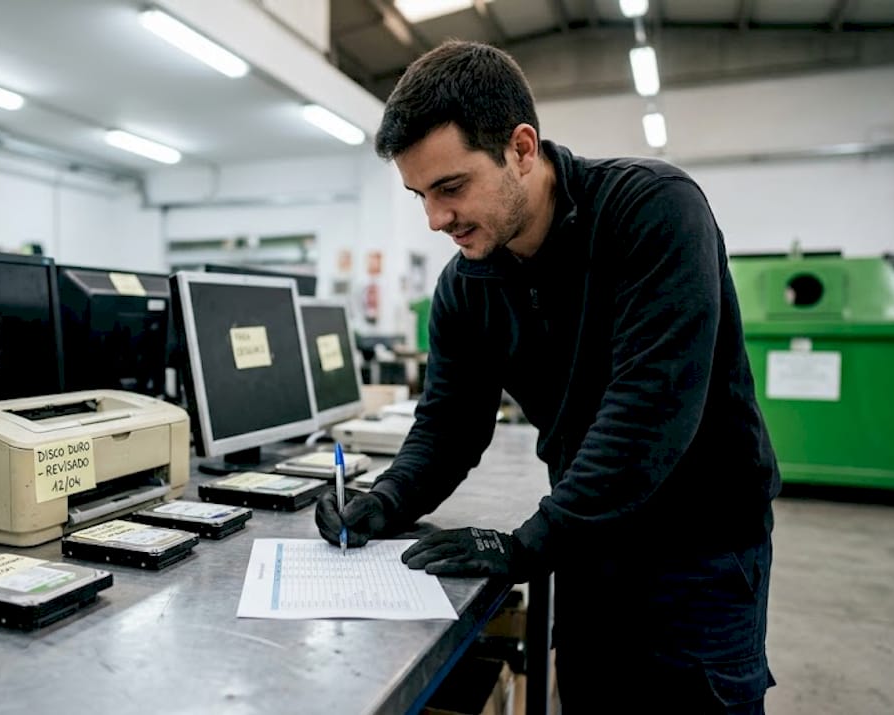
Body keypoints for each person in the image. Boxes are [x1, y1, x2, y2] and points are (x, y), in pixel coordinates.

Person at [315, 40, 781, 714]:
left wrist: (532, 544)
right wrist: (385, 499)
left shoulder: (653, 212)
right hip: (591, 548)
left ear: (522, 148)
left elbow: (649, 412)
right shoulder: (466, 287)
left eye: (450, 187)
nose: (435, 219)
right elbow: (448, 426)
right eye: (420, 195)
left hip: (698, 555)